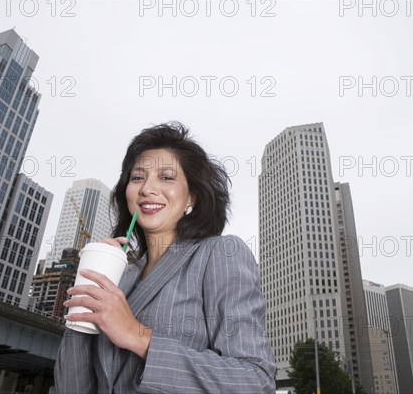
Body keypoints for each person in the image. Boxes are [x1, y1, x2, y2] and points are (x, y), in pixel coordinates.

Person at [54, 122, 276, 393]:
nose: (147, 188)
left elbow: (255, 381)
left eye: (167, 177)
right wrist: (85, 305)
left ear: (191, 197)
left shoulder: (220, 254)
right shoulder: (121, 277)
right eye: (137, 178)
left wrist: (138, 336)